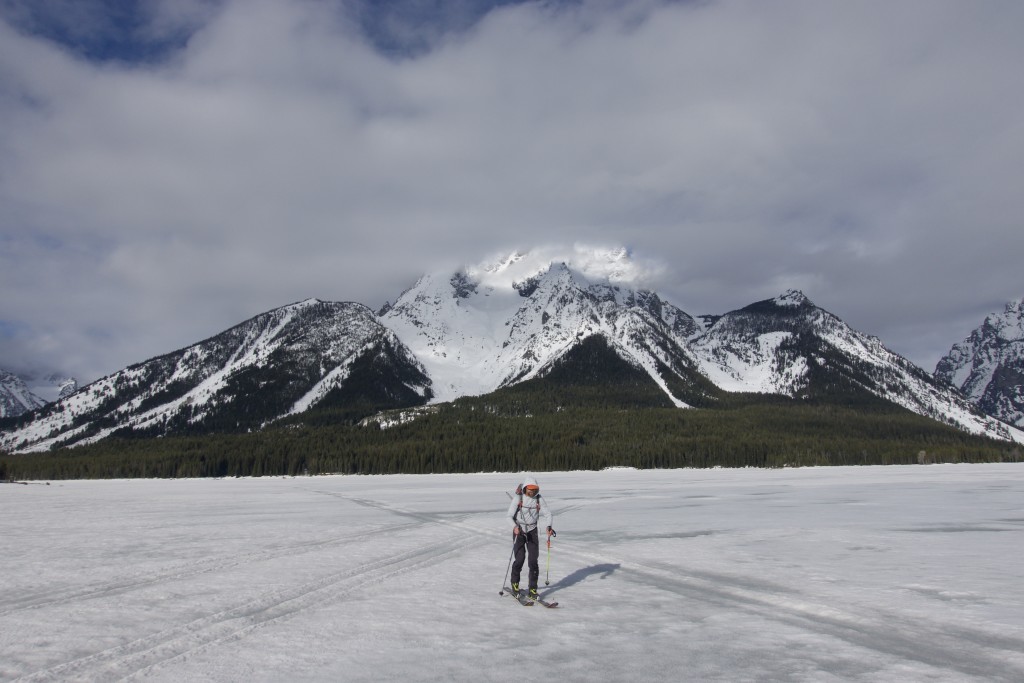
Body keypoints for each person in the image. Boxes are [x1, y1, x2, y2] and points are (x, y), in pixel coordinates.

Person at [506, 474, 554, 601]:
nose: (532, 492)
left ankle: (533, 589)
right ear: (525, 488)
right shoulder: (518, 498)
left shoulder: (539, 499)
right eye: (529, 489)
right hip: (519, 531)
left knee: (533, 561)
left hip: (532, 531)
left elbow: (548, 514)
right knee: (520, 559)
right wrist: (514, 527)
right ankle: (515, 584)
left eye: (534, 489)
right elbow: (509, 516)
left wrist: (549, 527)